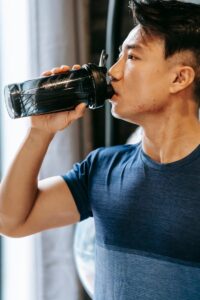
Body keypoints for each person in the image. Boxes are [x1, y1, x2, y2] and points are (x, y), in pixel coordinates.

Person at [1, 0, 200, 299]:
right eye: (117, 56)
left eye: (132, 57)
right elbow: (11, 220)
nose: (113, 72)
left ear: (179, 78)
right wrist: (39, 133)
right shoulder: (102, 169)